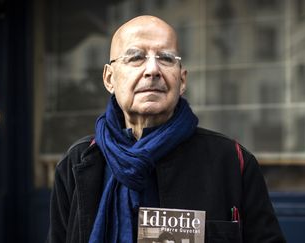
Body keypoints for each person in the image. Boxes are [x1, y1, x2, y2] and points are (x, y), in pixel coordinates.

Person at [47, 15, 286, 243]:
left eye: (166, 58)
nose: (152, 70)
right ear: (110, 79)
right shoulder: (78, 163)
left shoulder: (232, 161)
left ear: (181, 80)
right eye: (136, 57)